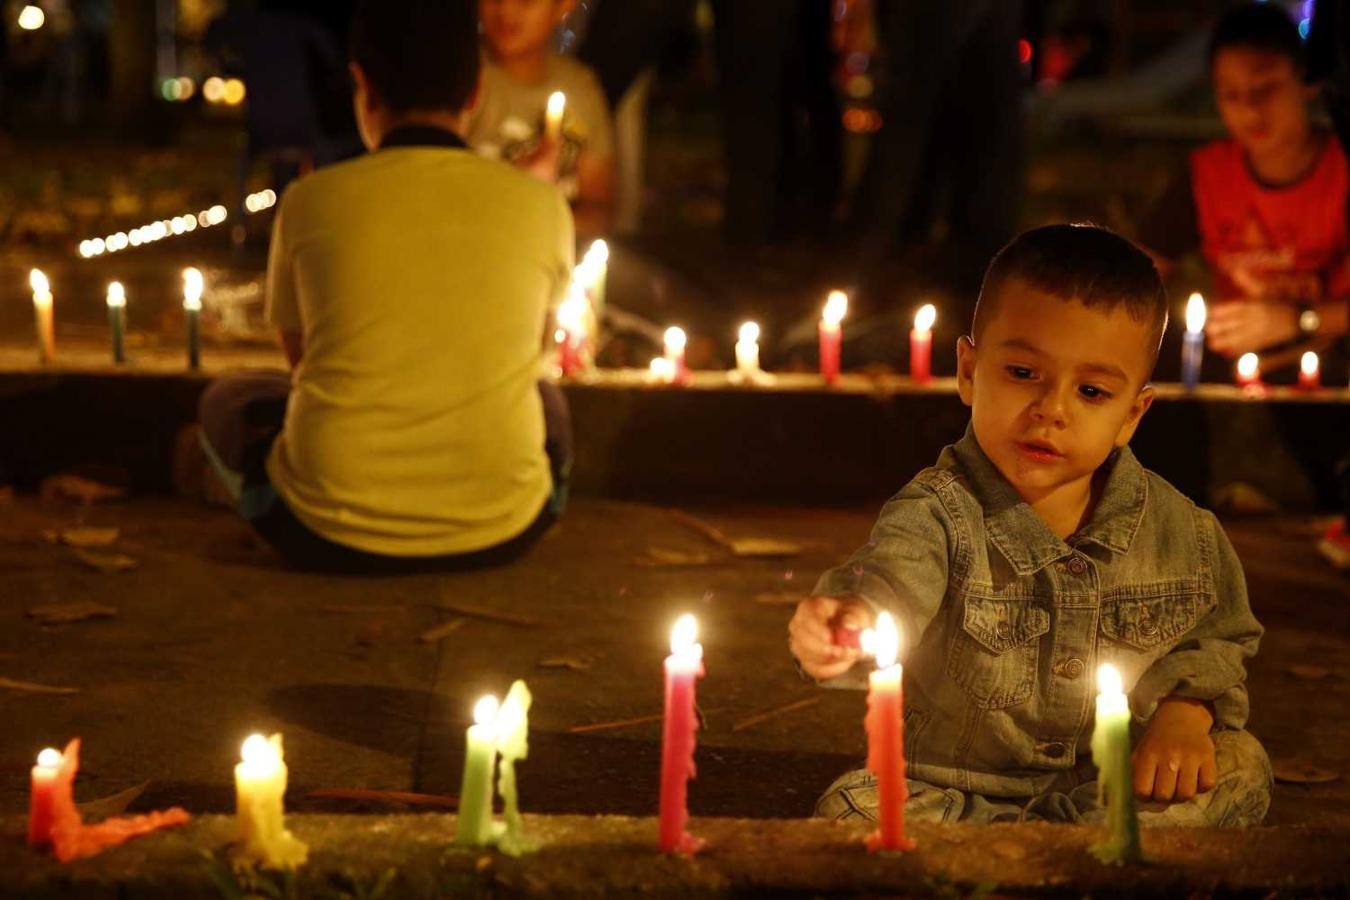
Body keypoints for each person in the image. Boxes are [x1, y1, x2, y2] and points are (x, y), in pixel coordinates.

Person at [791, 225, 1272, 826]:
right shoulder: (937, 512)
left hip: (1111, 785)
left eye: (1091, 391)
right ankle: (1078, 861)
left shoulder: (1183, 531)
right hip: (949, 794)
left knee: (1239, 765)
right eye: (1023, 373)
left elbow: (1216, 641)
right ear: (969, 371)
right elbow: (891, 579)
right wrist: (850, 619)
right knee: (855, 807)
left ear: (1132, 414)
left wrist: (1185, 716)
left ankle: (1033, 856)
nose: (1052, 409)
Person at [196, 0, 574, 574]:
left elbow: (303, 361)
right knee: (549, 402)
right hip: (503, 528)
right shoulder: (542, 205)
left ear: (363, 86)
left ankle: (232, 482)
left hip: (321, 530)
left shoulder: (310, 200)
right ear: (476, 90)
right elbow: (536, 351)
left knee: (226, 400)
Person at [1140, 3, 1348, 370]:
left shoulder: (1342, 167)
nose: (1250, 110)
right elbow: (1137, 275)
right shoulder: (1208, 175)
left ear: (1306, 82)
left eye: (1265, 88)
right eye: (1231, 95)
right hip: (1235, 363)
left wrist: (1296, 320)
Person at [468, 0, 614, 239]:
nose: (506, 9)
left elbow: (598, 207)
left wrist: (543, 214)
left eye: (526, 1)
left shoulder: (580, 88)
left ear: (564, 6)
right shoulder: (461, 81)